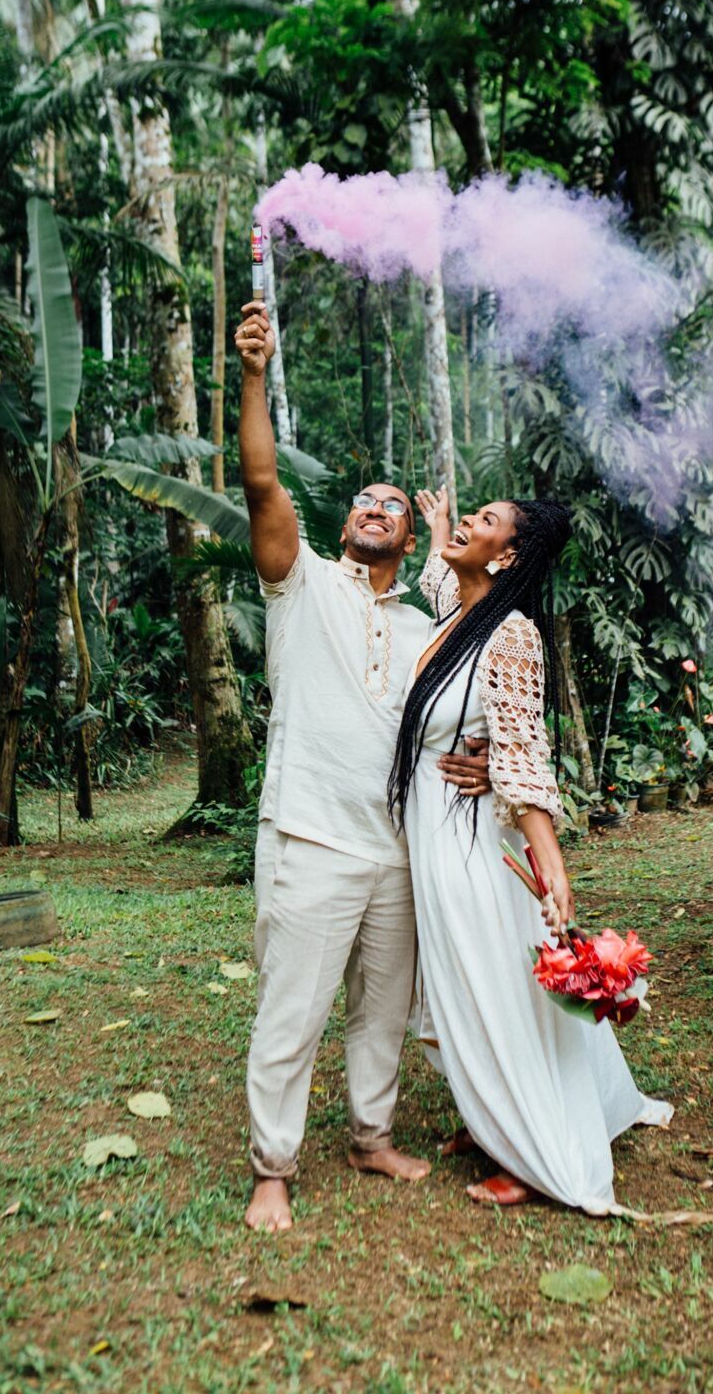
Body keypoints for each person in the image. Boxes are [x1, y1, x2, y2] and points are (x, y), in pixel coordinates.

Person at [235, 302, 491, 1233]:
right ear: (343, 528)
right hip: (308, 832)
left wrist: (481, 761)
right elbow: (263, 483)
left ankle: (371, 1135)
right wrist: (255, 373)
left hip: (394, 849)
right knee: (292, 1008)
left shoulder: (422, 626)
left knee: (383, 1007)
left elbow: (460, 712)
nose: (377, 508)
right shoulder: (298, 582)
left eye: (393, 502)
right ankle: (274, 1166)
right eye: (364, 501)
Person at [391, 487, 673, 1209]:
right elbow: (437, 579)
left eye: (484, 523)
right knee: (458, 985)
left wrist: (551, 868)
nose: (466, 526)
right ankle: (490, 1119)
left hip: (467, 839)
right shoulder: (459, 610)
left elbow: (521, 752)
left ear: (509, 553)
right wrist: (438, 531)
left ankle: (529, 1149)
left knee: (491, 992)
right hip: (434, 826)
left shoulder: (509, 634)